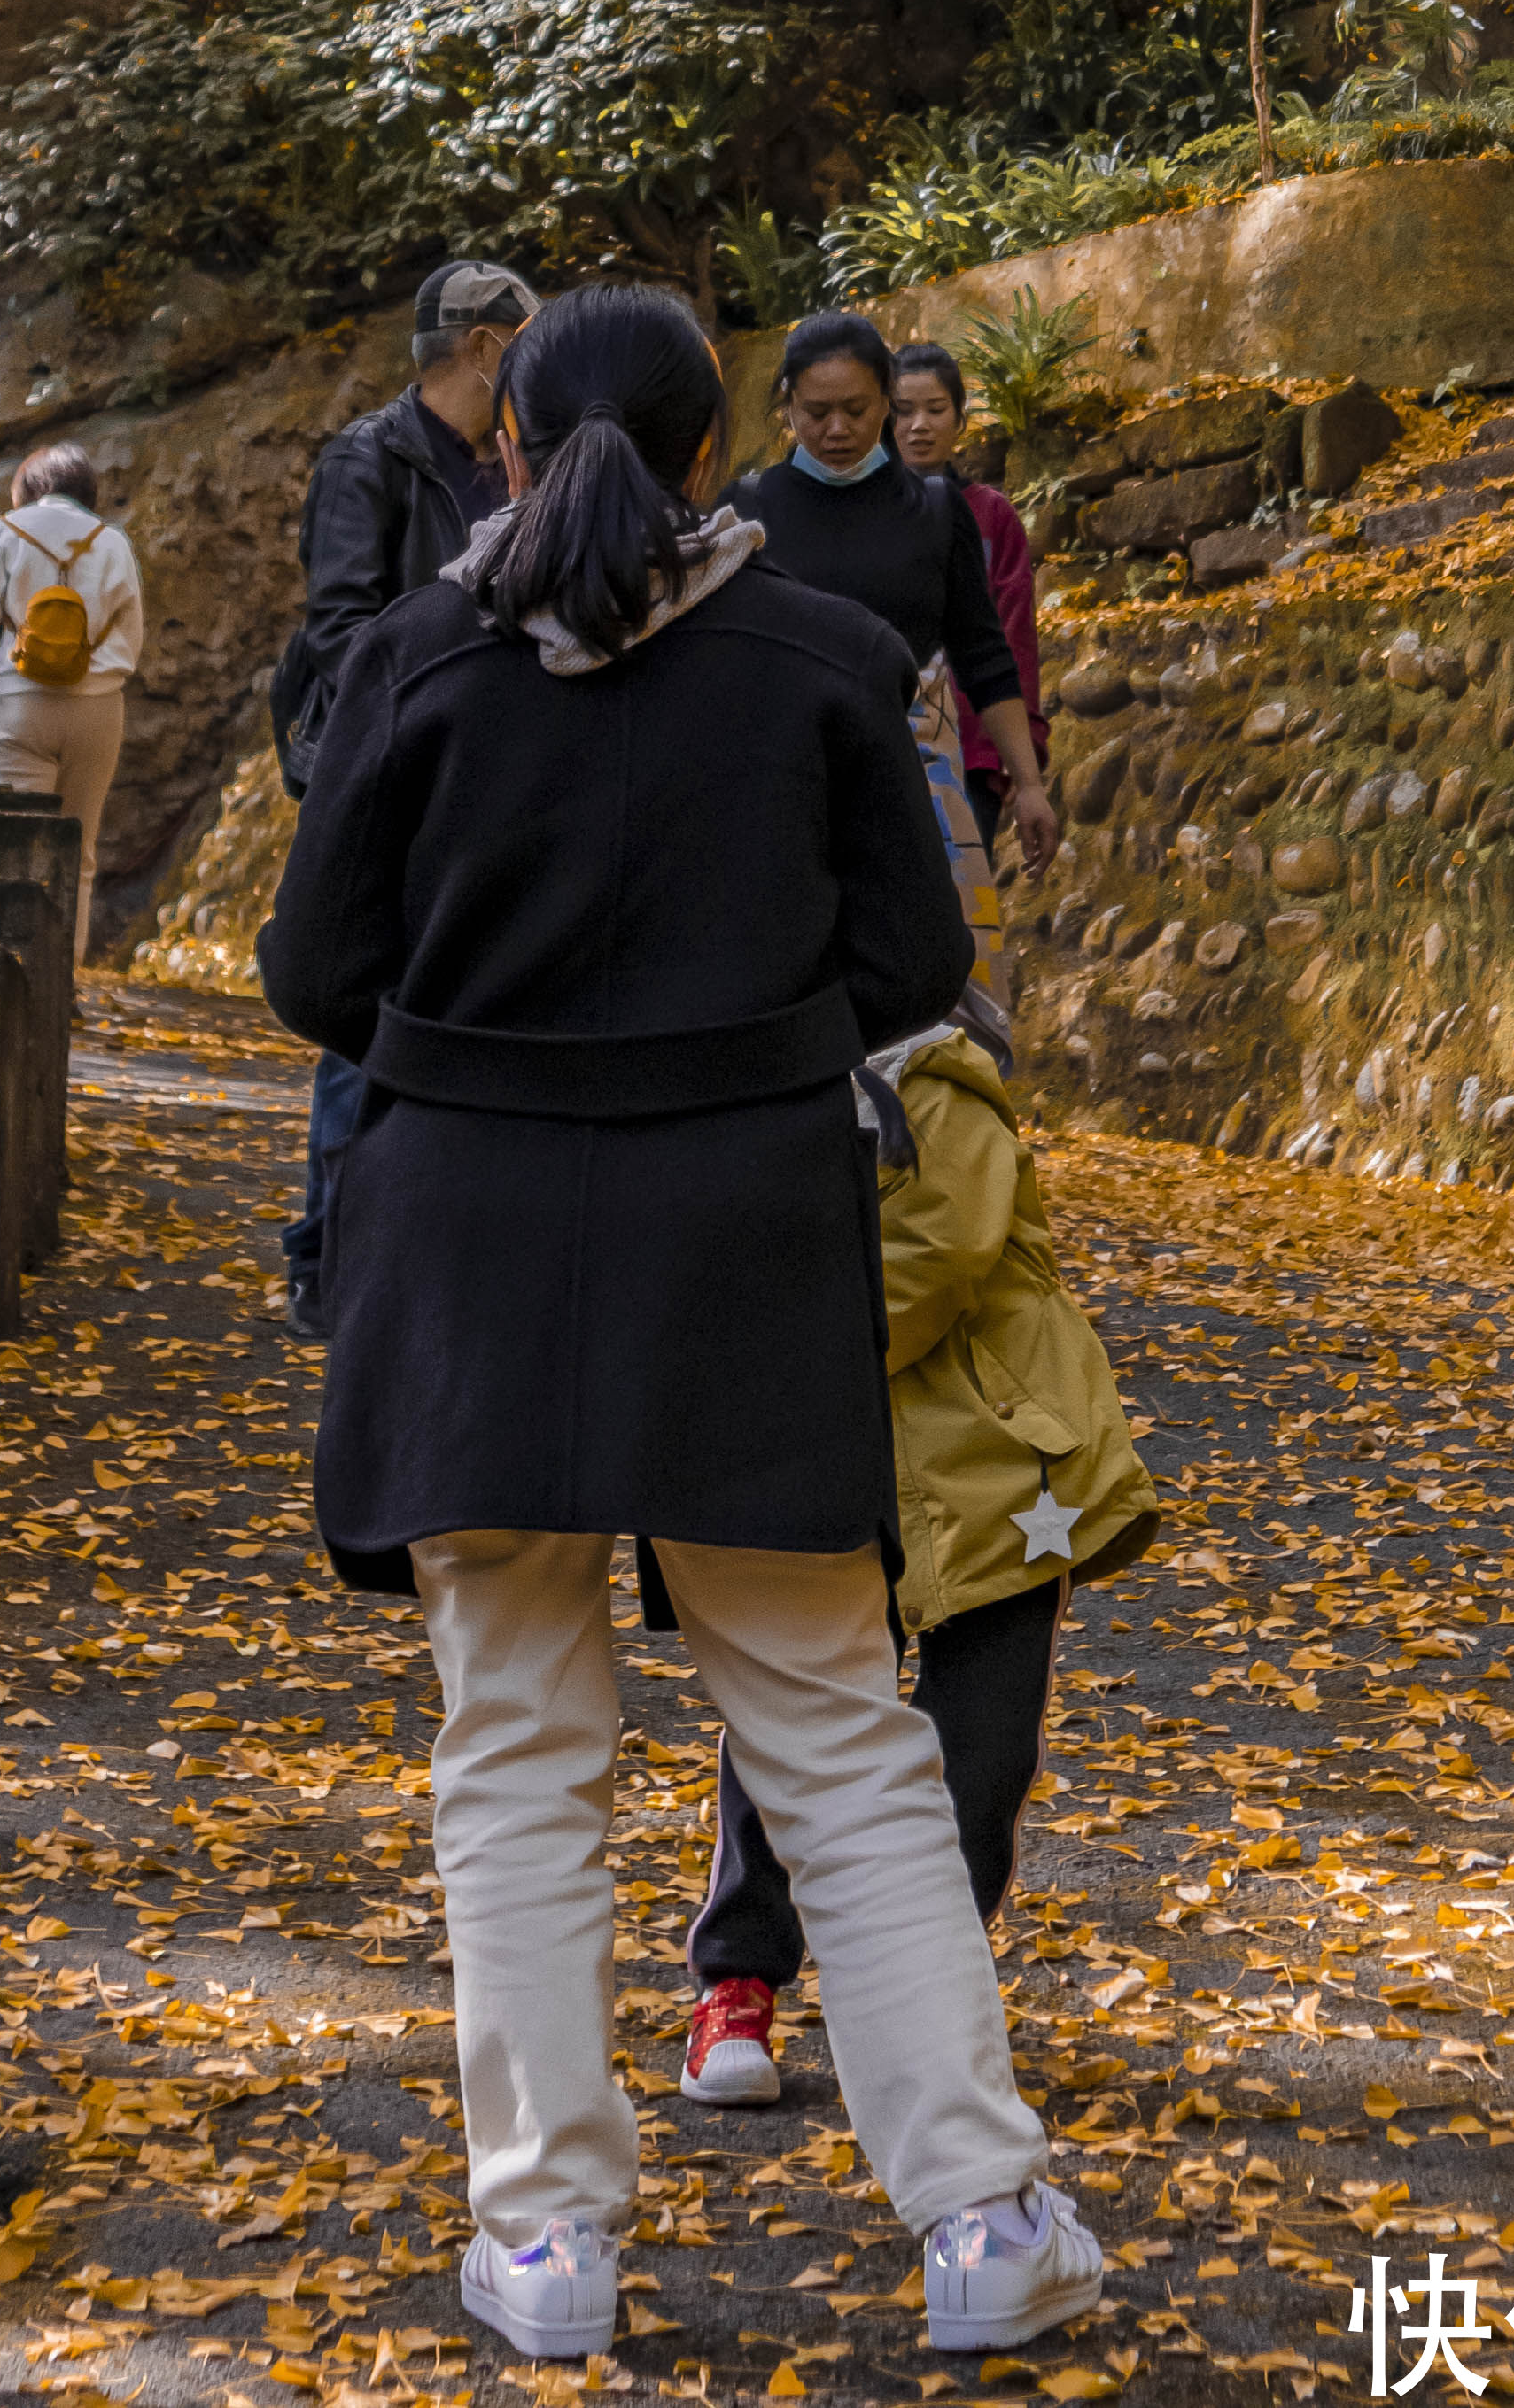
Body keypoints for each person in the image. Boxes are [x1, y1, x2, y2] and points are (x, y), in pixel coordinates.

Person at [257, 282, 1103, 2367]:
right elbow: (916, 966)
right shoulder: (823, 664)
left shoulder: (413, 661)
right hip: (739, 1244)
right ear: (714, 457)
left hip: (469, 1249)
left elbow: (308, 972)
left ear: (516, 454)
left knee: (519, 1752)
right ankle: (981, 2207)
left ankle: (544, 2242)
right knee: (833, 1733)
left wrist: (480, 1049)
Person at [683, 984, 1153, 2114]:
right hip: (831, 1469)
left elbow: (930, 1256)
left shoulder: (943, 1086)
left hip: (994, 1476)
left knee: (977, 1763)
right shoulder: (743, 1072)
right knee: (788, 1730)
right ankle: (737, 1982)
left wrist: (763, 1341)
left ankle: (921, 1996)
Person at [270, 258, 538, 1340]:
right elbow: (337, 627)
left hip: (483, 766)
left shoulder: (512, 458)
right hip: (384, 768)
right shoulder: (368, 460)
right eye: (525, 334)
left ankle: (423, 1247)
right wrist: (437, 698)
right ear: (482, 347)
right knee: (365, 1017)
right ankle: (327, 1253)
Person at [741, 315, 1058, 1003]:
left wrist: (1028, 781)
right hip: (784, 789)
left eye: (855, 409)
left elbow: (984, 656)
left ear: (886, 397)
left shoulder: (938, 510)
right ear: (787, 402)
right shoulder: (751, 510)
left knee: (931, 974)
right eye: (814, 412)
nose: (835, 430)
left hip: (918, 786)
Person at [0, 442, 143, 955]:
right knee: (78, 848)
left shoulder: (6, 531)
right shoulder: (114, 541)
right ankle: (64, 978)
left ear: (29, 487)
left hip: (17, 702)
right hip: (98, 709)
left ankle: (13, 967)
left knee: (13, 842)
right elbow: (130, 640)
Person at [888, 342, 1049, 879]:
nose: (919, 426)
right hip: (881, 743)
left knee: (958, 915)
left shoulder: (992, 516)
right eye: (903, 411)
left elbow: (1013, 638)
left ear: (960, 418)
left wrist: (1026, 766)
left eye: (935, 409)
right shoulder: (865, 515)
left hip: (972, 748)